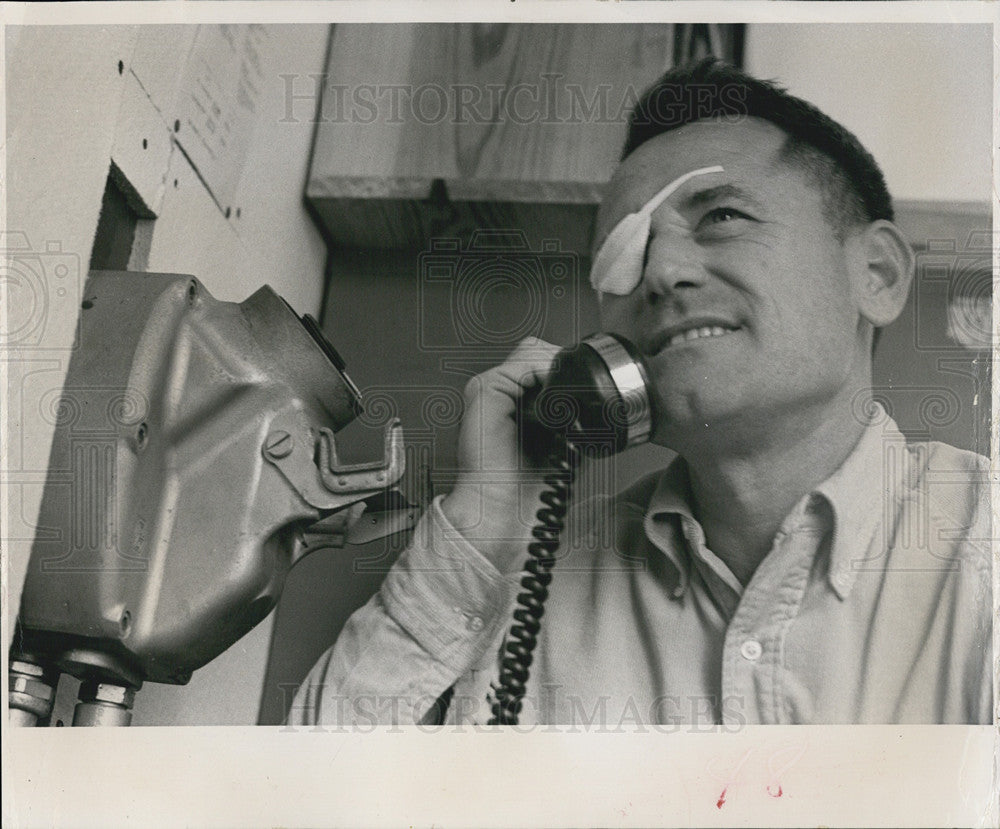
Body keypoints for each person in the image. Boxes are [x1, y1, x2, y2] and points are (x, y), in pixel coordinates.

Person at [290, 59, 993, 727]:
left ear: (877, 273)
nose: (660, 273)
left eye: (720, 217)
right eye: (625, 255)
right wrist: (479, 532)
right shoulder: (526, 586)